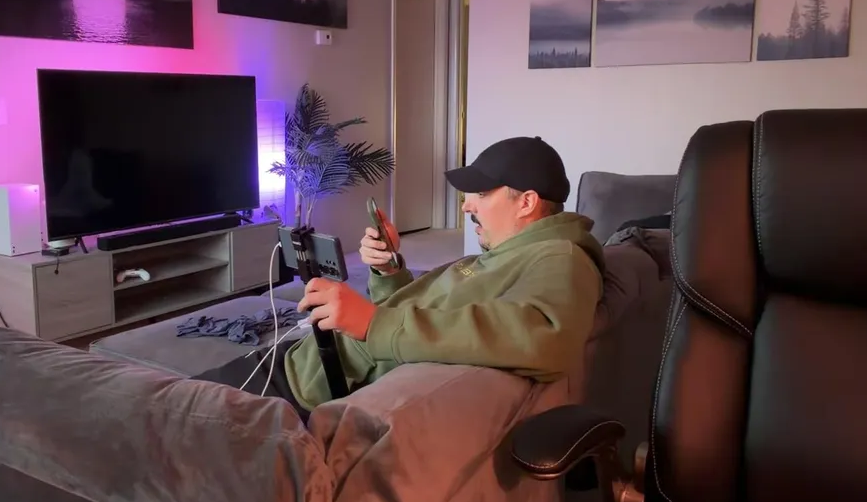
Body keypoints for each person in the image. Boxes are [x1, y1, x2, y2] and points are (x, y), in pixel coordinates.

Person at [192, 136, 605, 420]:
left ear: (526, 203)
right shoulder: (514, 254)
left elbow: (544, 336)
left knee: (166, 412)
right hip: (308, 362)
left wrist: (374, 323)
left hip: (308, 389)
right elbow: (434, 311)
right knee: (176, 399)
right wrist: (389, 270)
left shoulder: (561, 258)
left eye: (481, 194)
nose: (467, 206)